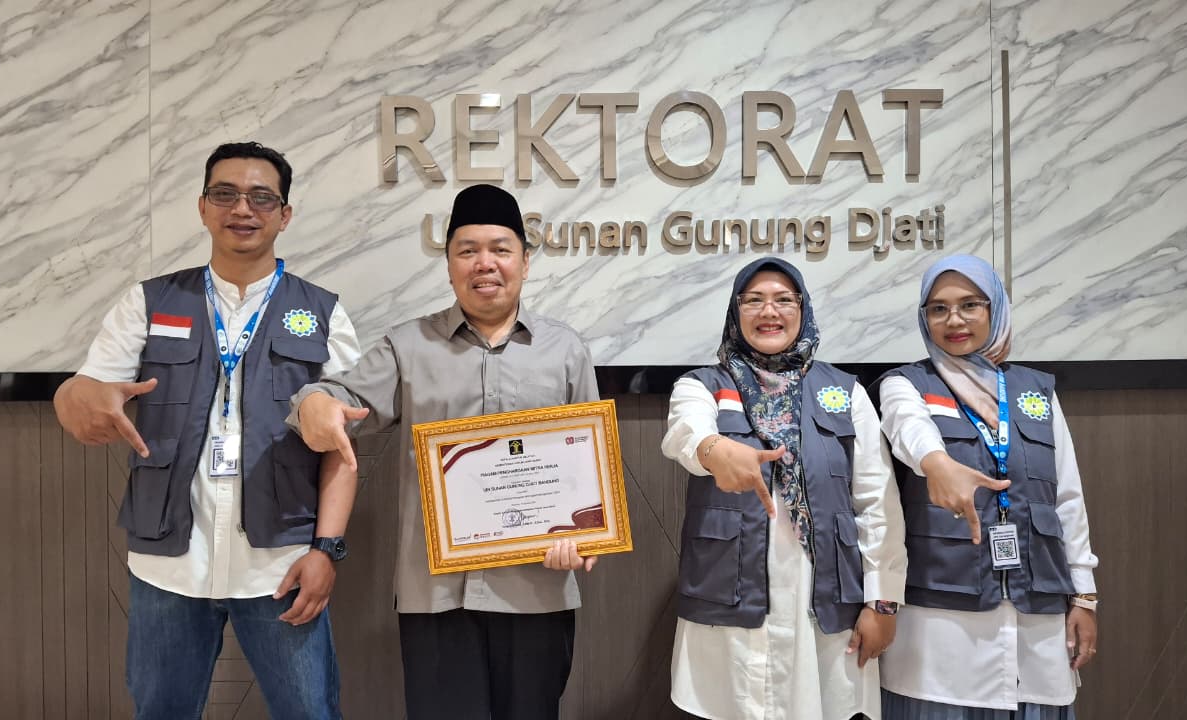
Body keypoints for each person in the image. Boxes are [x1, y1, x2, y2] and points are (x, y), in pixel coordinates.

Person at [53, 141, 362, 719]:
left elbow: (343, 451)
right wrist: (73, 397)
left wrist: (326, 550)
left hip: (281, 565)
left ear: (285, 215)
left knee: (310, 712)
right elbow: (83, 391)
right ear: (202, 207)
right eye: (225, 194)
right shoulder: (148, 303)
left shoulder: (323, 313)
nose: (242, 208)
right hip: (168, 566)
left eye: (261, 198)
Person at [288, 183, 599, 720]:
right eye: (467, 250)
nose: (485, 263)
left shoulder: (566, 349)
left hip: (536, 590)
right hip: (435, 595)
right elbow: (341, 399)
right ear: (450, 264)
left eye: (500, 249)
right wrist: (313, 402)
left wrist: (586, 536)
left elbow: (587, 468)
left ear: (525, 261)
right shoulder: (408, 345)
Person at [660, 257, 907, 720]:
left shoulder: (845, 393)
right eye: (753, 300)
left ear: (803, 309)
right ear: (735, 311)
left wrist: (884, 603)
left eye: (783, 300)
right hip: (731, 596)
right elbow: (684, 434)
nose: (768, 311)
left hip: (826, 595)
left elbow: (877, 503)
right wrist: (715, 449)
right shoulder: (703, 386)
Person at [876, 254, 1099, 719]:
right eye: (938, 309)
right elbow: (908, 429)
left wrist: (1084, 596)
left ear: (995, 309)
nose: (954, 320)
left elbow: (1067, 500)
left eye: (970, 305)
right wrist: (938, 463)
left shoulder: (1036, 392)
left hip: (1036, 612)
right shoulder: (905, 384)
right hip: (941, 619)